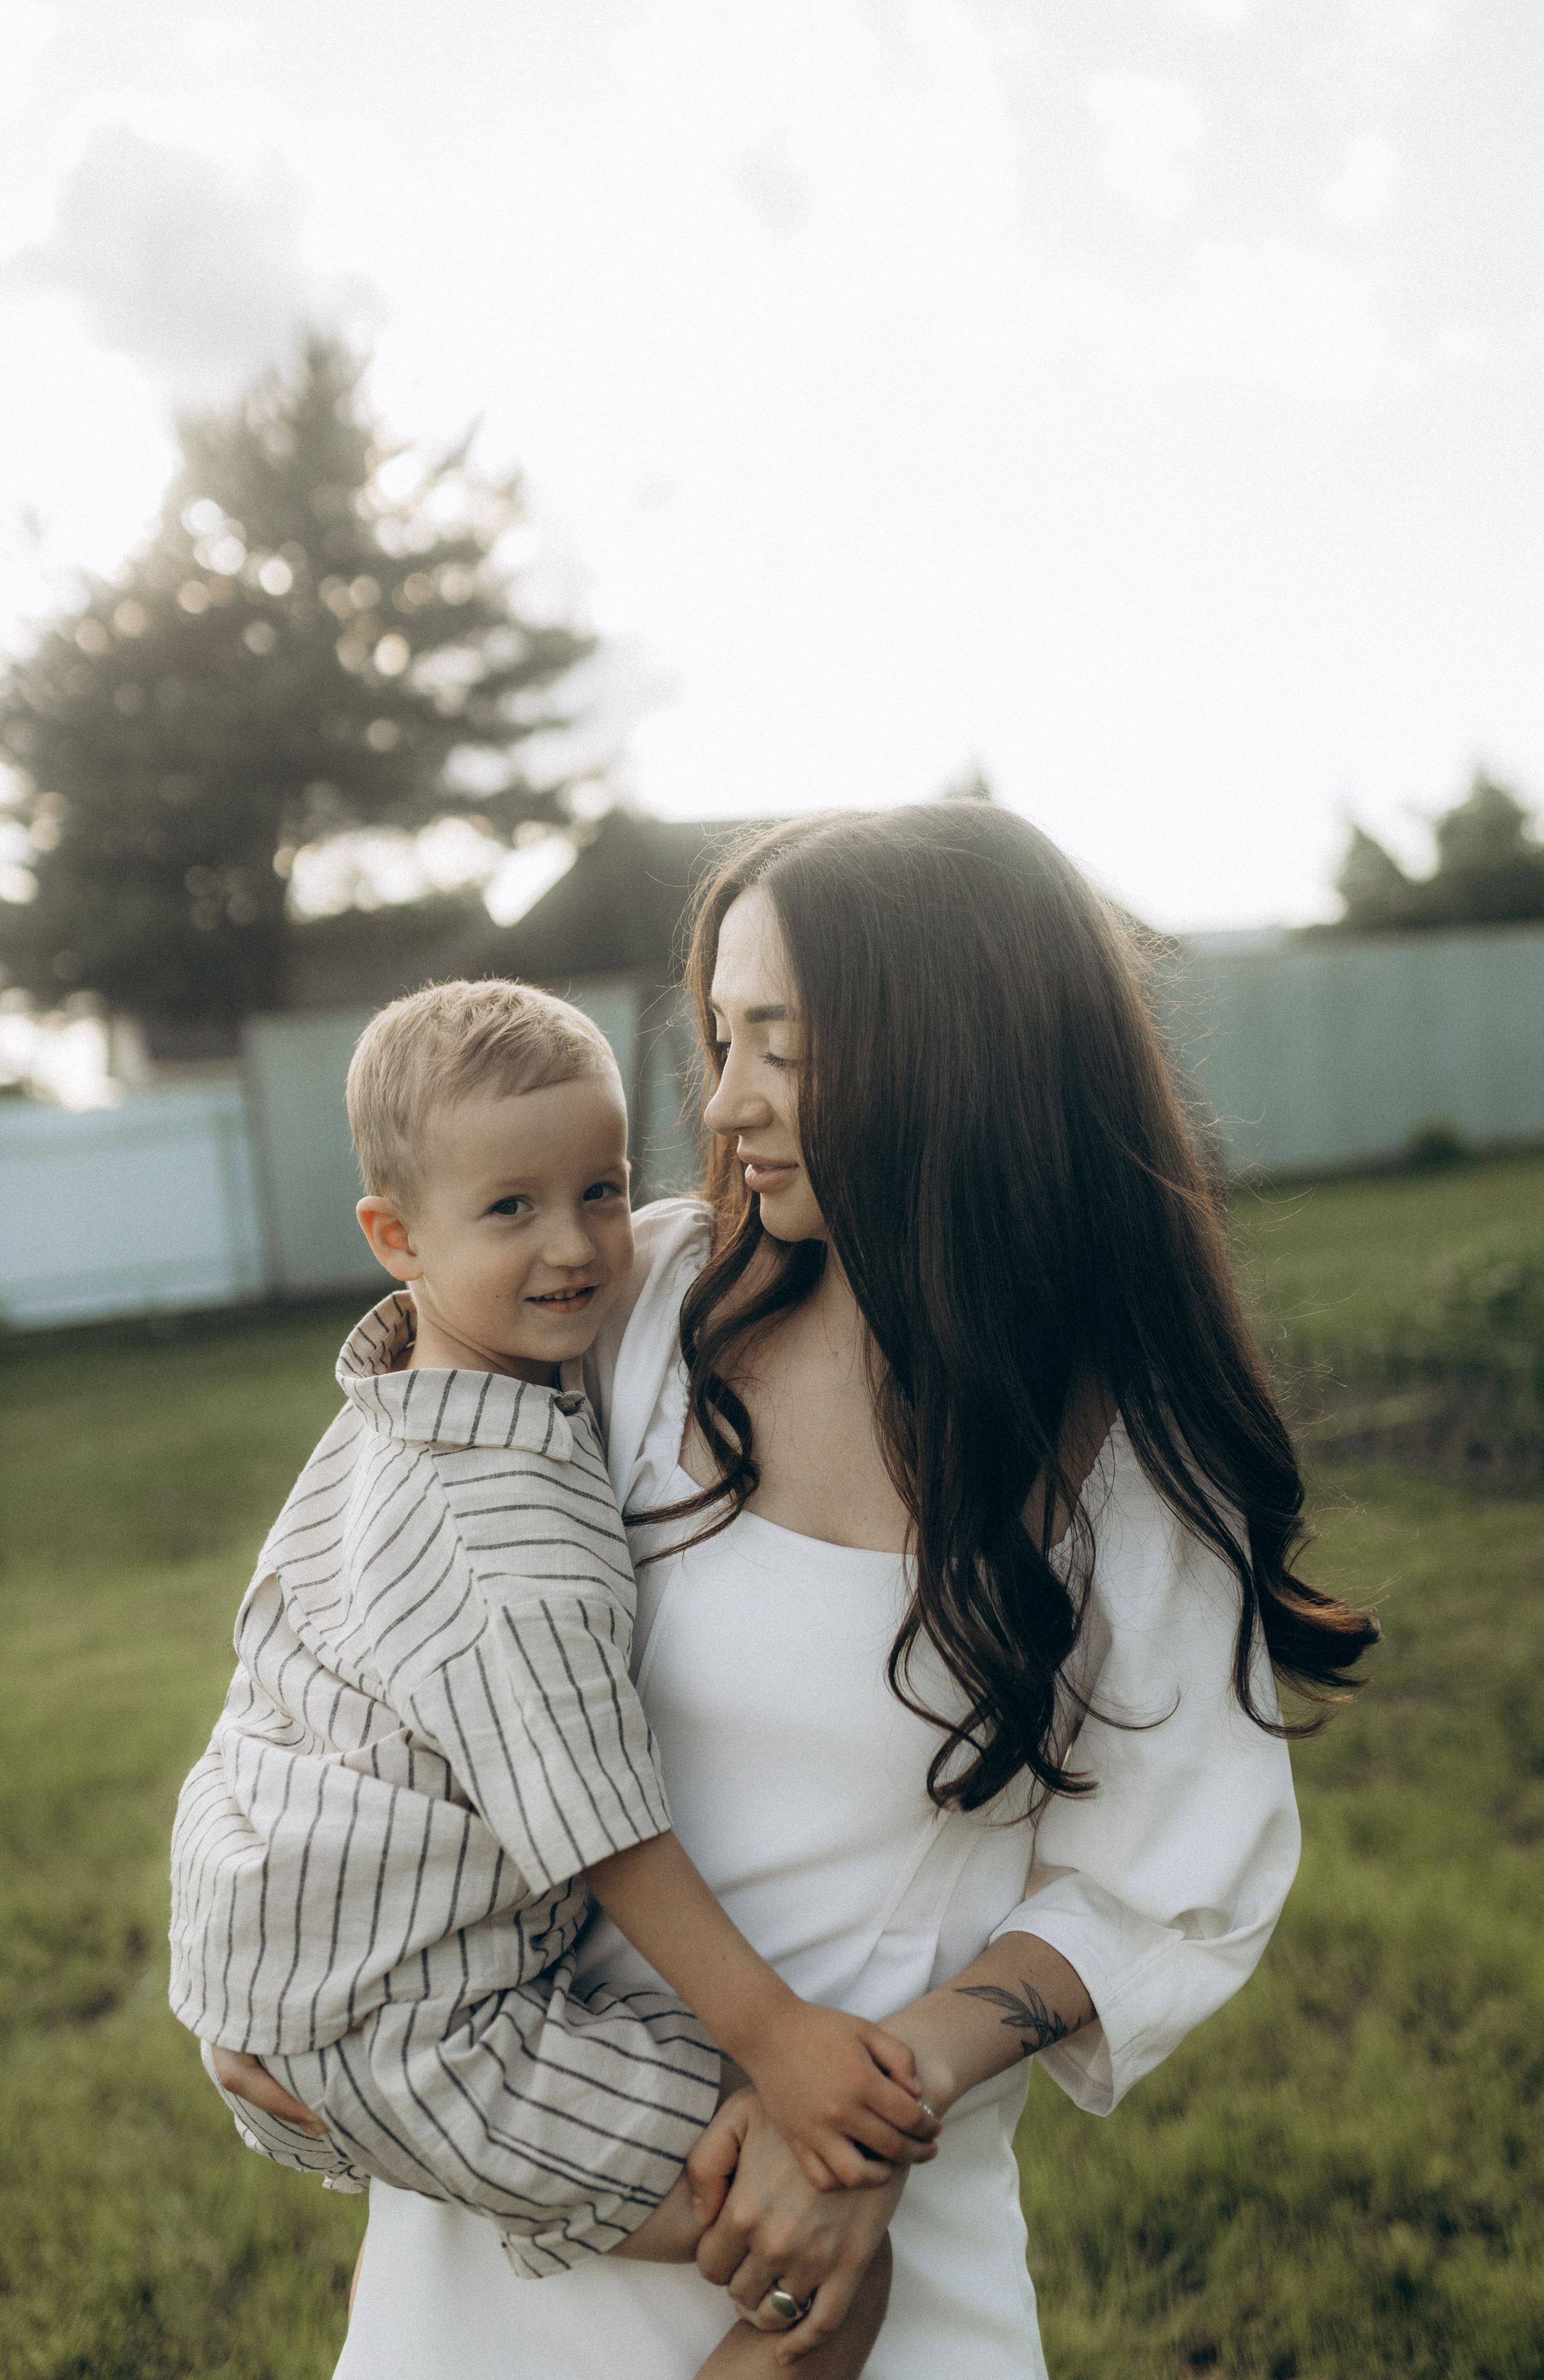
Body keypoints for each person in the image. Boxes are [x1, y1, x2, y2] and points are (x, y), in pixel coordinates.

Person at [224, 804, 1377, 2378]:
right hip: (519, 2211)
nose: (730, 1098)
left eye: (783, 1042)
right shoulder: (621, 1308)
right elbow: (348, 1627)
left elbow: (1164, 1879)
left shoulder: (1132, 1458)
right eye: (719, 1034)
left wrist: (867, 2118)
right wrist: (261, 1966)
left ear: (951, 1057)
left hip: (863, 2233)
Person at [172, 977, 938, 2380]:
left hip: (306, 1968)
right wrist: (777, 2039)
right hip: (416, 2032)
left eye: (601, 1187)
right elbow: (598, 1828)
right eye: (510, 1210)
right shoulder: (501, 1526)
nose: (581, 1247)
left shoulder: (405, 1393)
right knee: (829, 2230)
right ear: (394, 1237)